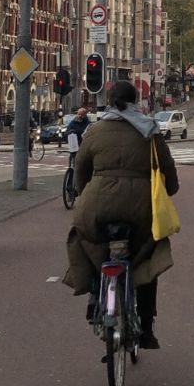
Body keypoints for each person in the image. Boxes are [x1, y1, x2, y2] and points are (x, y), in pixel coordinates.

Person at [63, 80, 179, 349]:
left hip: (98, 202)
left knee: (84, 239)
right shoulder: (149, 130)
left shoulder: (94, 131)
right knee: (149, 257)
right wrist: (170, 190)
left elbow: (80, 168)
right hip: (141, 206)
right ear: (135, 100)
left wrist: (85, 196)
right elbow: (168, 169)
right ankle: (146, 328)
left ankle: (95, 292)